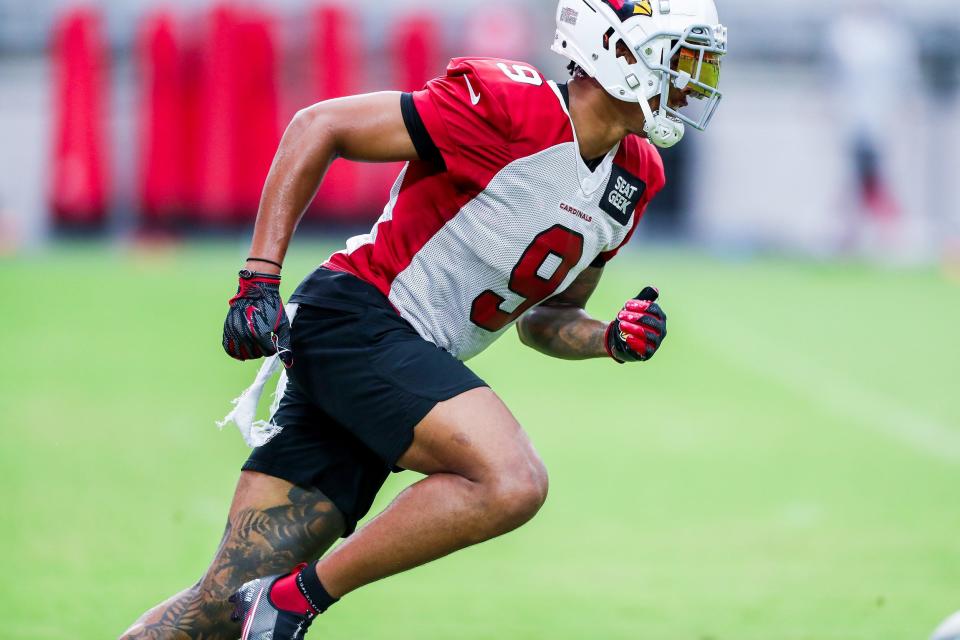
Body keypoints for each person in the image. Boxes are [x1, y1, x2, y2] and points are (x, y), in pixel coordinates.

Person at [120, 1, 726, 638]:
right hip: (358, 317)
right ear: (619, 53)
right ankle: (296, 601)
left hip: (393, 363)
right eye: (678, 56)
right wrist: (257, 278)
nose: (693, 78)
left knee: (216, 608)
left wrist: (608, 339)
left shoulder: (636, 174)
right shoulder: (508, 106)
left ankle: (272, 602)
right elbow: (317, 125)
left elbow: (547, 317)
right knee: (511, 480)